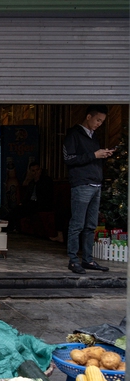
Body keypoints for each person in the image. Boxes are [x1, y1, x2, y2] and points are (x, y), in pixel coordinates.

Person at [63, 105, 114, 274]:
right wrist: (94, 155)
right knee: (77, 224)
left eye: (102, 121)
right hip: (82, 184)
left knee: (91, 225)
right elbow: (68, 158)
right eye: (98, 120)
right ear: (88, 116)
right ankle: (73, 260)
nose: (99, 124)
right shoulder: (74, 134)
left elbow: (91, 157)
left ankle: (88, 260)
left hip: (96, 184)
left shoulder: (94, 136)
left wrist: (103, 155)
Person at [6, 162, 54, 232]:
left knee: (21, 209)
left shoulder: (46, 181)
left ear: (40, 170)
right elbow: (27, 195)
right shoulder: (31, 183)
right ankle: (8, 225)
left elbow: (45, 195)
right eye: (33, 171)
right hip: (31, 203)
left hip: (40, 204)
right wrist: (22, 203)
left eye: (37, 170)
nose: (36, 173)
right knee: (16, 209)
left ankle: (10, 226)